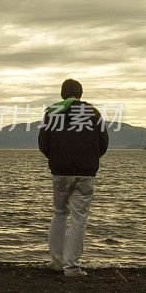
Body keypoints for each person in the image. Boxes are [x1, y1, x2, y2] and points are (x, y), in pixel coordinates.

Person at [38, 79, 109, 277]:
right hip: (85, 172)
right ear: (80, 94)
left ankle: (57, 262)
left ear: (62, 94)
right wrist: (89, 159)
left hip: (60, 171)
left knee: (59, 213)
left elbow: (43, 143)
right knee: (79, 218)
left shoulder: (52, 112)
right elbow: (103, 142)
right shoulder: (92, 112)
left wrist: (57, 159)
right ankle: (72, 268)